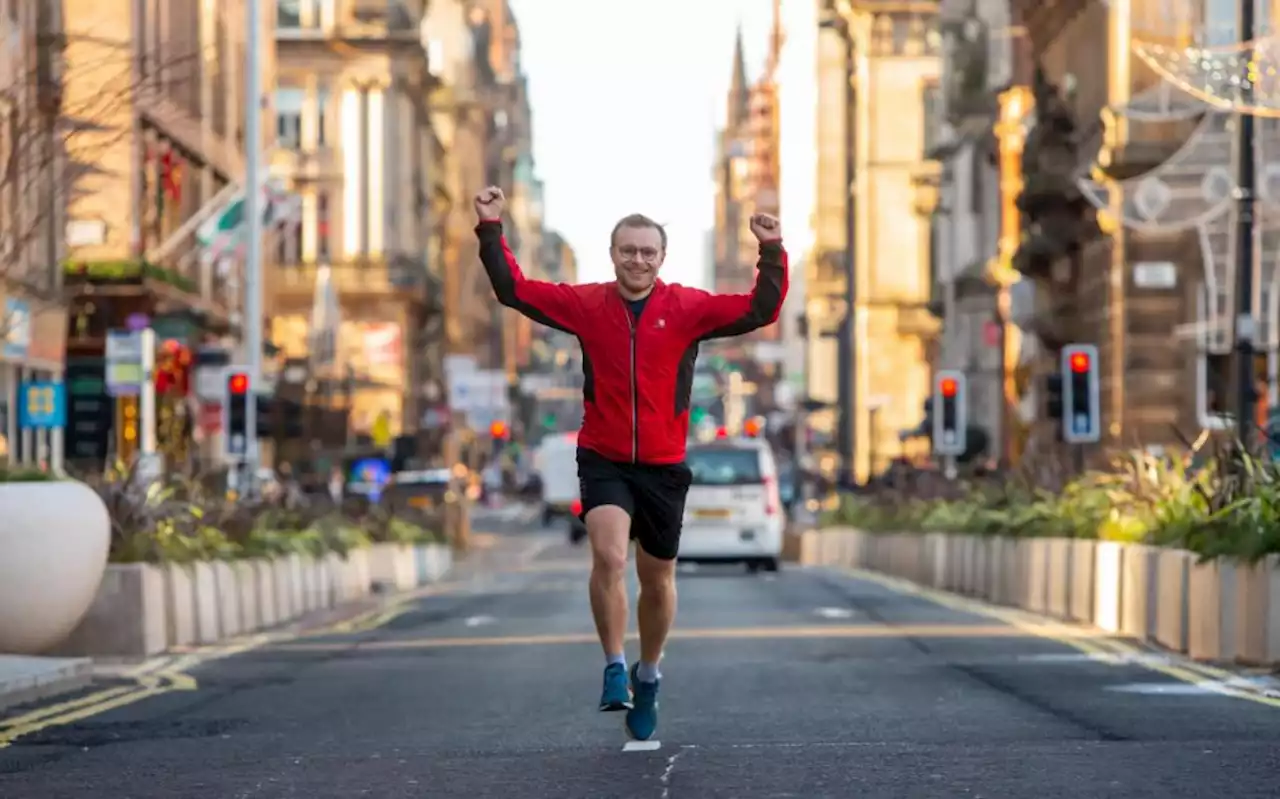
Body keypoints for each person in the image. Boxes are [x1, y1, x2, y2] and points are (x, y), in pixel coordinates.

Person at [474, 186, 788, 740]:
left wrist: (771, 249)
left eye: (648, 252)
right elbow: (513, 290)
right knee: (610, 556)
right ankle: (615, 666)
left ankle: (649, 672)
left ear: (661, 258)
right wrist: (491, 225)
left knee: (658, 580)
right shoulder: (587, 306)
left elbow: (759, 310)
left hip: (665, 464)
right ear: (613, 253)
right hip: (604, 457)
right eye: (628, 250)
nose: (637, 260)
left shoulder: (687, 308)